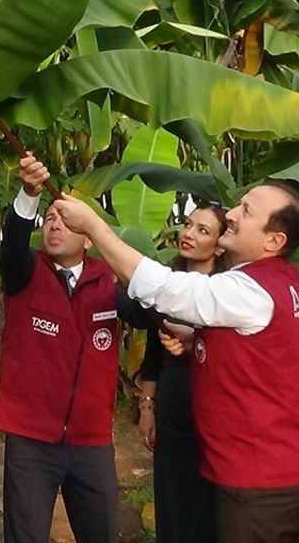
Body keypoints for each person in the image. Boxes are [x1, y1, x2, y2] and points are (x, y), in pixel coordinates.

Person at [51, 182, 299, 543]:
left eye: (246, 212)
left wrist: (94, 227)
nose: (231, 214)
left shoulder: (249, 289)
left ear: (273, 242)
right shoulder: (277, 279)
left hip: (263, 482)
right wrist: (197, 341)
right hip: (280, 470)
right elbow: (254, 347)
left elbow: (165, 289)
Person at [0, 153, 120, 543]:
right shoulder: (25, 273)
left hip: (92, 442)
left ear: (88, 237)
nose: (54, 226)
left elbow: (152, 307)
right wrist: (29, 195)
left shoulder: (109, 282)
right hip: (32, 441)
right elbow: (12, 247)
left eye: (66, 221)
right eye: (49, 219)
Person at [120, 206, 227, 543]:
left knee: (212, 503)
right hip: (174, 405)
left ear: (221, 246)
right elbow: (154, 352)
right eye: (188, 224)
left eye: (203, 231)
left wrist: (195, 343)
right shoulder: (166, 285)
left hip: (217, 411)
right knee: (173, 498)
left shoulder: (229, 289)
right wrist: (147, 407)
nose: (189, 234)